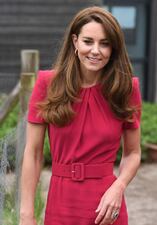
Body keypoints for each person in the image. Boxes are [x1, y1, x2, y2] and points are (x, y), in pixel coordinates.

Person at [19, 6, 141, 225]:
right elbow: (33, 154)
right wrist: (26, 214)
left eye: (104, 44)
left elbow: (132, 153)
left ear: (113, 48)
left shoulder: (126, 89)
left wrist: (118, 187)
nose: (96, 50)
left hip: (106, 206)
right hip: (61, 203)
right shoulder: (48, 84)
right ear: (75, 42)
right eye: (88, 41)